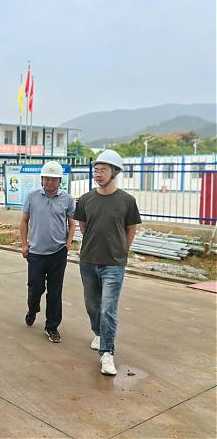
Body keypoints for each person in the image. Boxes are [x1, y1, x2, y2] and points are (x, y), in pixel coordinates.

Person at [74, 149, 141, 376]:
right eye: (96, 170)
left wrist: (121, 250)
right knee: (92, 305)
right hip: (88, 261)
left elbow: (131, 229)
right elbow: (84, 227)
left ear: (115, 172)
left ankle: (107, 353)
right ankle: (99, 333)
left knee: (108, 309)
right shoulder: (85, 199)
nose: (98, 174)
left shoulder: (127, 201)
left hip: (114, 263)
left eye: (103, 170)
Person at [20, 161, 75, 343]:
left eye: (54, 179)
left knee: (55, 292)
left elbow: (72, 224)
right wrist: (24, 244)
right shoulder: (32, 197)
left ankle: (52, 327)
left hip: (58, 253)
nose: (50, 182)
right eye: (47, 178)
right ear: (42, 179)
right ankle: (32, 309)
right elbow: (24, 221)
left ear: (60, 181)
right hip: (36, 253)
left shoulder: (67, 199)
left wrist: (67, 244)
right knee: (35, 287)